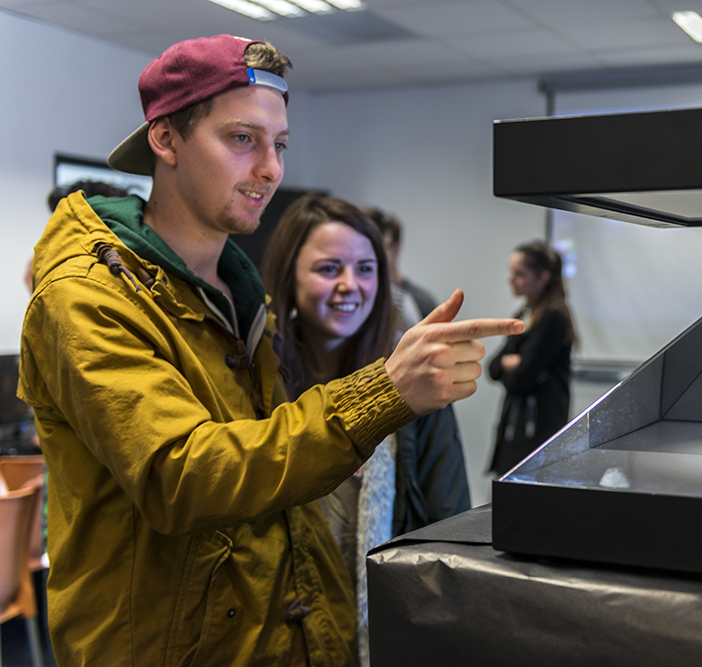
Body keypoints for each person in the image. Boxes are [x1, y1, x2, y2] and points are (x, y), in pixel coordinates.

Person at [17, 34, 521, 666]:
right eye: (242, 139)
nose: (270, 170)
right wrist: (382, 393)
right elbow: (185, 476)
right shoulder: (86, 300)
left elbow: (274, 505)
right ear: (165, 139)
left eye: (278, 144)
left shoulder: (235, 290)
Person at [262, 194, 470, 666]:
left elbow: (448, 521)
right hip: (281, 631)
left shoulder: (417, 387)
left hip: (383, 631)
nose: (349, 286)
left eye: (366, 269)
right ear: (289, 275)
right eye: (329, 269)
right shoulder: (258, 383)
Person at [488, 241, 576, 476]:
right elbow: (493, 367)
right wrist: (510, 364)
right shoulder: (524, 314)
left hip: (536, 431)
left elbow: (520, 380)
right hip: (516, 427)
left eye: (519, 273)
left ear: (542, 278)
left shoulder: (554, 318)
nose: (510, 278)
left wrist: (516, 366)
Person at [364, 206, 437, 329]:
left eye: (379, 248)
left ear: (396, 247)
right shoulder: (358, 298)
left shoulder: (417, 303)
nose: (371, 256)